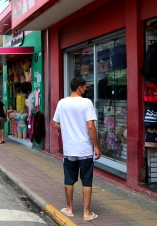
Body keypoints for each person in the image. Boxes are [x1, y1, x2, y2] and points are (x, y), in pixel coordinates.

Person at [53, 77, 101, 221]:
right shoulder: (86, 103)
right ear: (80, 88)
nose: (86, 89)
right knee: (86, 180)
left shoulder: (62, 103)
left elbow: (56, 124)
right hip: (85, 149)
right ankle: (86, 213)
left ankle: (69, 209)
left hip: (69, 149)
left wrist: (68, 127)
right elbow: (91, 126)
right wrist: (97, 147)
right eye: (85, 87)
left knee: (69, 179)